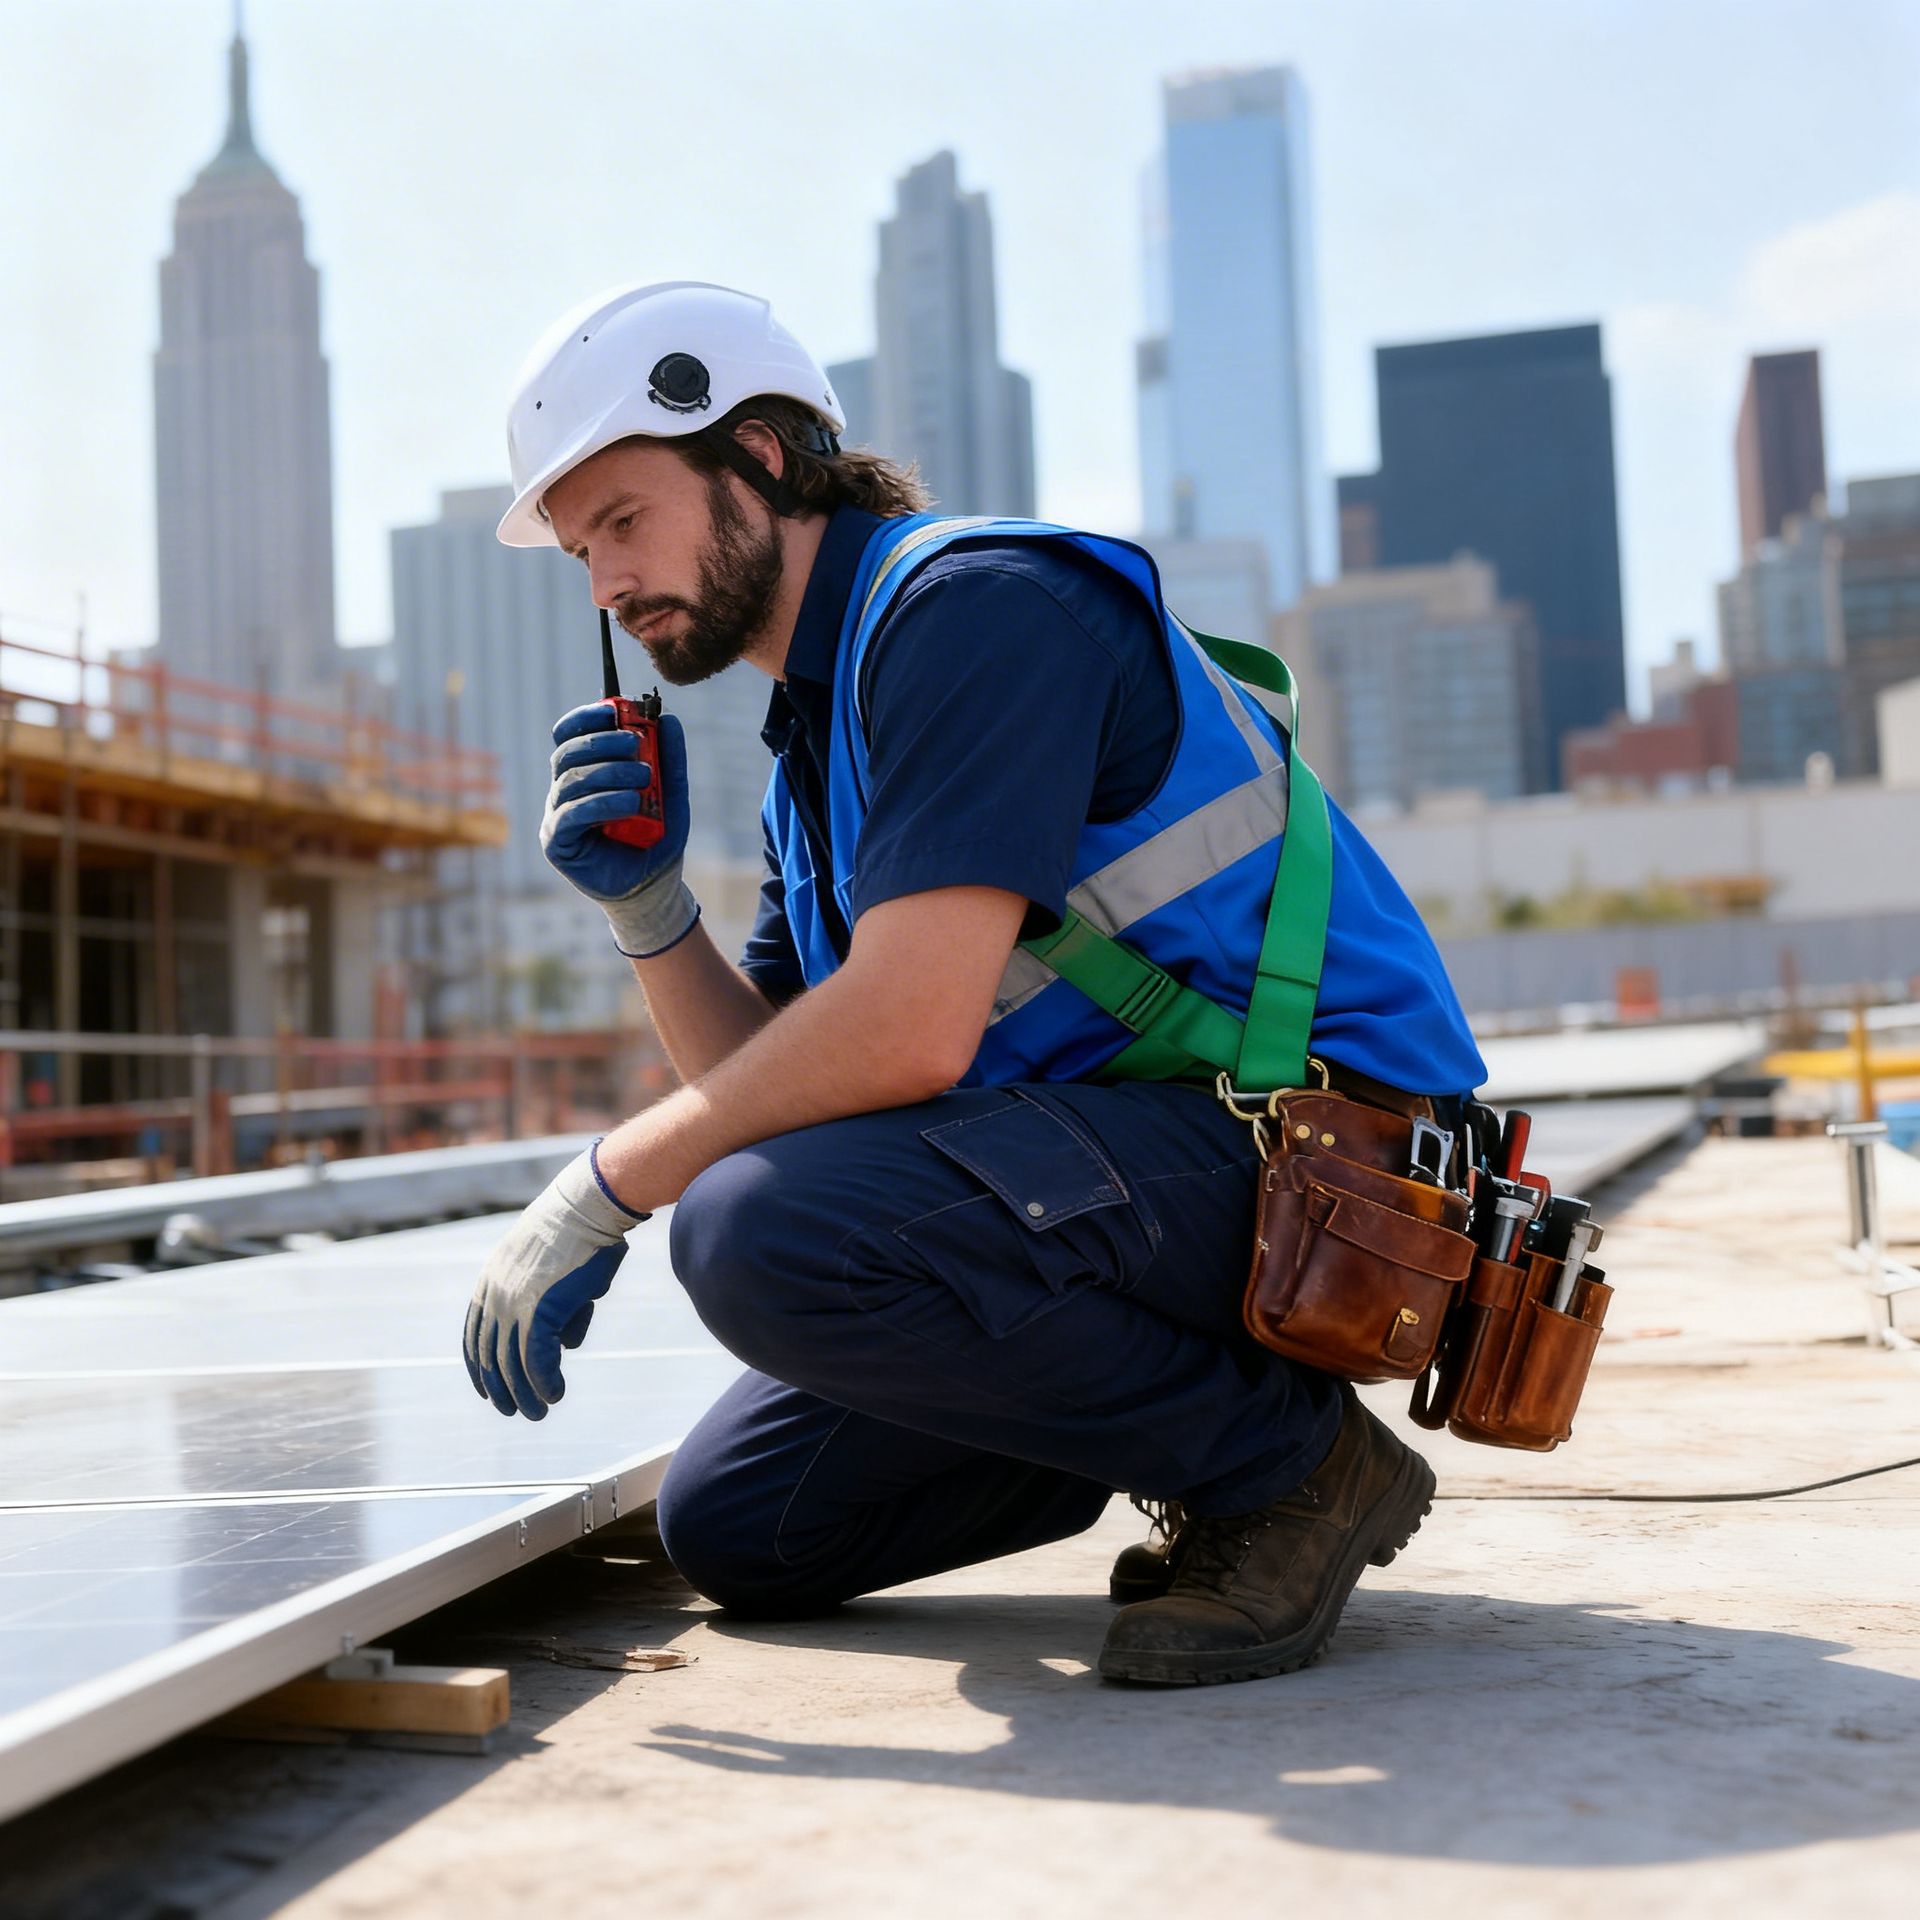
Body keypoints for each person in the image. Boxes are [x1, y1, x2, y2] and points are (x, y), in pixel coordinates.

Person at [462, 280, 1488, 1686]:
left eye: (625, 520)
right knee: (748, 1534)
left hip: (1331, 1153)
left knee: (754, 1235)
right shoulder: (818, 745)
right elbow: (775, 1081)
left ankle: (1289, 1468)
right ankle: (1152, 1428)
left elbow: (907, 1035)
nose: (606, 586)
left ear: (759, 455)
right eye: (581, 552)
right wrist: (651, 914)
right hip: (1148, 1172)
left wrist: (605, 1184)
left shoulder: (972, 613)